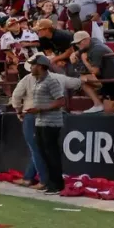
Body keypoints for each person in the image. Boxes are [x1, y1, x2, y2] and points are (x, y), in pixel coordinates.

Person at [27, 55, 66, 194]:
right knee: (44, 153)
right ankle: (50, 183)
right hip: (40, 121)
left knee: (51, 154)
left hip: (51, 123)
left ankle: (57, 184)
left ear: (40, 66)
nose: (31, 67)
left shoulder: (51, 81)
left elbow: (61, 101)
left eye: (33, 65)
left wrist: (41, 109)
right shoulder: (38, 81)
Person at [12, 59, 49, 189]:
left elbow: (16, 96)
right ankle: (28, 177)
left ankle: (44, 180)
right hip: (48, 115)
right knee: (40, 148)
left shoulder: (27, 79)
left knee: (36, 149)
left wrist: (18, 110)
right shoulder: (52, 78)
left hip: (32, 114)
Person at [73, 31, 114, 113]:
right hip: (105, 80)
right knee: (81, 80)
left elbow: (95, 71)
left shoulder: (97, 49)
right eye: (76, 44)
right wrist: (76, 53)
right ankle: (98, 104)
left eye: (79, 43)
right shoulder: (93, 42)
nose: (77, 45)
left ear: (86, 40)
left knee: (109, 110)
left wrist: (84, 60)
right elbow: (82, 50)